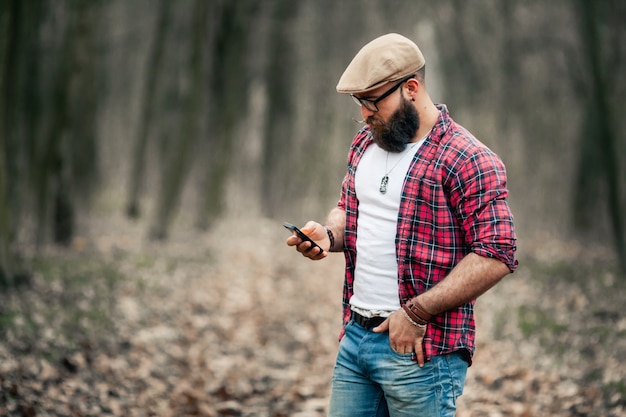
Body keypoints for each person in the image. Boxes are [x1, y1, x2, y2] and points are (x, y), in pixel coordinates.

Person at [285, 33, 518, 417]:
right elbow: (349, 210)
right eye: (360, 103)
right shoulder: (367, 143)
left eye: (373, 102)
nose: (365, 114)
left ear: (411, 88)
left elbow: (498, 254)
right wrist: (327, 236)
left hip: (420, 350)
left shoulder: (466, 158)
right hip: (355, 338)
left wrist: (416, 313)